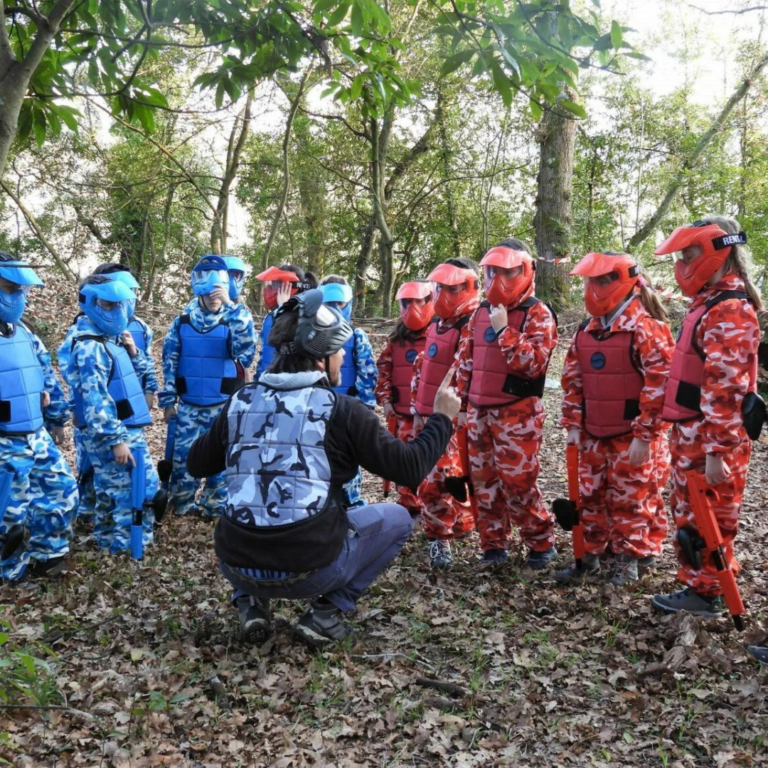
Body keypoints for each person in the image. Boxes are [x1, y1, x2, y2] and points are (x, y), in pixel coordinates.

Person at [187, 289, 459, 647]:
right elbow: (409, 468)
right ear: (320, 356)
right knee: (396, 518)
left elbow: (196, 464)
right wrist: (441, 418)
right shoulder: (342, 410)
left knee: (251, 513)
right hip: (311, 567)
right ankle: (327, 613)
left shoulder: (241, 400)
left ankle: (250, 600)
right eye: (337, 349)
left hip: (236, 563)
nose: (342, 355)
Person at [651, 217, 763, 617]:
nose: (683, 263)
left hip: (711, 439)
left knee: (708, 520)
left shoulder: (729, 309)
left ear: (720, 252)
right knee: (691, 517)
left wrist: (716, 450)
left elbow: (726, 390)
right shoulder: (708, 303)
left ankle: (708, 593)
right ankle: (699, 586)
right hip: (692, 433)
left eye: (691, 253)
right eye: (681, 255)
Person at [556, 252, 675, 586]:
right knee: (591, 495)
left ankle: (629, 560)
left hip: (631, 436)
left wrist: (645, 435)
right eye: (588, 281)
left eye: (600, 281)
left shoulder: (647, 327)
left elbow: (660, 386)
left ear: (623, 282)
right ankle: (590, 553)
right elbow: (573, 380)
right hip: (593, 433)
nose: (592, 288)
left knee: (632, 499)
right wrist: (573, 425)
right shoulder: (587, 329)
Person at [455, 240, 558, 568]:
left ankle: (540, 544)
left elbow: (532, 365)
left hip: (517, 413)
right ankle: (493, 546)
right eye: (492, 271)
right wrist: (460, 408)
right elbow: (465, 362)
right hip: (478, 411)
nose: (498, 278)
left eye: (508, 271)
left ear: (525, 271)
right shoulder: (479, 313)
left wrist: (504, 330)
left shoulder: (538, 313)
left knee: (518, 482)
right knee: (483, 481)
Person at [63, 275, 157, 553]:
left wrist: (132, 349)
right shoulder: (90, 346)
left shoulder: (109, 339)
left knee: (110, 490)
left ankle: (108, 543)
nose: (116, 311)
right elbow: (96, 400)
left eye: (120, 304)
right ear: (90, 303)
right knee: (132, 490)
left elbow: (130, 377)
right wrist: (115, 440)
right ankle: (126, 547)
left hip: (123, 426)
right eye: (108, 304)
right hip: (113, 432)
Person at [158, 255, 255, 518]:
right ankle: (182, 504)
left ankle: (214, 506)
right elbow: (170, 360)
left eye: (219, 293)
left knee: (221, 461)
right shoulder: (182, 321)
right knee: (183, 461)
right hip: (189, 406)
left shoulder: (236, 318)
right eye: (210, 293)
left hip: (222, 406)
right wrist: (168, 401)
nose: (215, 298)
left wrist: (232, 307)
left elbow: (246, 354)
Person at [0, 253, 77, 581]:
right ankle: (11, 571)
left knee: (62, 490)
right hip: (4, 439)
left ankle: (48, 554)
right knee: (8, 514)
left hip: (34, 432)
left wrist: (57, 416)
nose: (18, 295)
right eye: (10, 288)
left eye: (21, 289)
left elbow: (46, 374)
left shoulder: (25, 332)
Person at [412, 258, 480, 568]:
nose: (442, 295)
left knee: (447, 478)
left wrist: (463, 410)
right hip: (431, 413)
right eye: (439, 288)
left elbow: (470, 372)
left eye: (451, 289)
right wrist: (417, 407)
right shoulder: (439, 323)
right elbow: (423, 368)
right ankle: (439, 534)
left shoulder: (474, 323)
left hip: (456, 416)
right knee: (434, 478)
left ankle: (451, 530)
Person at [375, 280, 435, 517]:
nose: (412, 307)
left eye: (418, 301)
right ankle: (409, 507)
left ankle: (434, 508)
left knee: (433, 463)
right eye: (406, 302)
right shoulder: (395, 340)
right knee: (403, 460)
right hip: (401, 414)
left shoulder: (439, 335)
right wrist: (386, 400)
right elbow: (384, 370)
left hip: (430, 415)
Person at [319, 275, 377, 507]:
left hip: (348, 411)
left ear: (349, 303)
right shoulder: (311, 335)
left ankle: (352, 509)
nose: (334, 308)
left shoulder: (357, 336)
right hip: (317, 412)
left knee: (349, 464)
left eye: (339, 303)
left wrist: (364, 409)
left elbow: (368, 373)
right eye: (329, 303)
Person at [254, 265, 316, 380]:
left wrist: (284, 310)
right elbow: (264, 355)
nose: (271, 289)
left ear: (290, 286)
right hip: (267, 383)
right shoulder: (270, 317)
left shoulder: (306, 317)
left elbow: (294, 355)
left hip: (291, 386)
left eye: (276, 284)